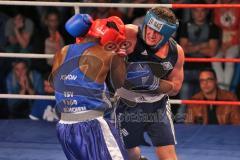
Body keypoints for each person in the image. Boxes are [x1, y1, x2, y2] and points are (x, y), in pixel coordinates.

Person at [51, 14, 128, 160]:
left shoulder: (62, 52)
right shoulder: (108, 54)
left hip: (64, 127)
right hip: (91, 126)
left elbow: (57, 85)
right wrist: (120, 56)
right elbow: (122, 86)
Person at [116, 7, 184, 160]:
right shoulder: (130, 34)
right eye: (149, 28)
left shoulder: (176, 52)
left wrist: (154, 83)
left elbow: (176, 88)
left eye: (158, 32)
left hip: (157, 105)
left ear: (167, 35)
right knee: (130, 155)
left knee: (169, 156)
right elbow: (100, 49)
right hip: (127, 104)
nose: (151, 34)